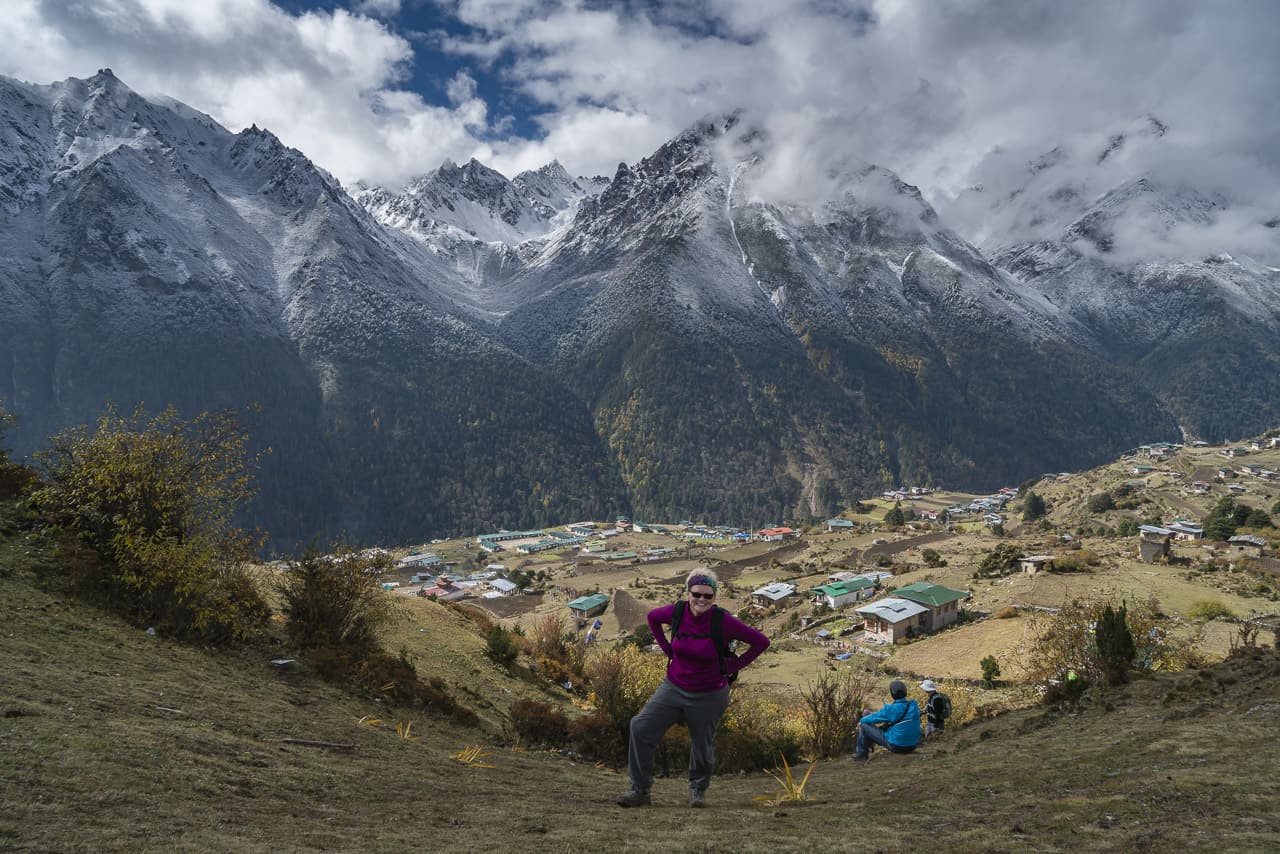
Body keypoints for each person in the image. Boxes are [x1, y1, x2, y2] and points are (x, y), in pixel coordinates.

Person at [616, 569, 770, 808]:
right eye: (697, 593)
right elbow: (653, 618)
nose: (702, 600)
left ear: (715, 597)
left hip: (710, 693)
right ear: (688, 593)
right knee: (640, 726)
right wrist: (668, 649)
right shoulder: (677, 612)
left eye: (708, 596)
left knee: (702, 743)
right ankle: (640, 790)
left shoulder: (722, 621)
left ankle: (697, 791)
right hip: (674, 686)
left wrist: (734, 666)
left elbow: (761, 642)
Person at [853, 680, 921, 761]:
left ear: (892, 694)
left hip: (897, 746)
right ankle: (867, 750)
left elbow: (872, 718)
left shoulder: (890, 709)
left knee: (864, 725)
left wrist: (861, 721)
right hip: (913, 744)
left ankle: (861, 754)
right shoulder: (914, 705)